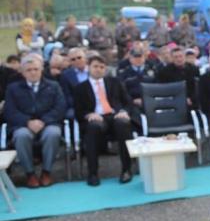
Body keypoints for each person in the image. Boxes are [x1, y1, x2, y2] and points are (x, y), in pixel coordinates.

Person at [4, 54, 66, 187]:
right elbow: (10, 111)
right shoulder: (13, 88)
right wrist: (28, 122)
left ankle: (46, 172)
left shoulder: (53, 86)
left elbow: (60, 107)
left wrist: (43, 121)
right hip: (23, 125)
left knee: (53, 133)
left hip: (48, 123)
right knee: (21, 135)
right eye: (29, 70)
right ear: (22, 72)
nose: (33, 72)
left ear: (41, 70)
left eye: (35, 69)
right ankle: (30, 173)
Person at [74, 55, 134, 186]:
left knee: (123, 124)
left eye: (102, 67)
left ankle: (126, 169)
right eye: (95, 66)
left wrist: (124, 111)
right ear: (88, 68)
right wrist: (89, 114)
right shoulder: (81, 88)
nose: (98, 69)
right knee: (93, 126)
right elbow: (78, 110)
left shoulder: (115, 82)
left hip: (114, 115)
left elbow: (127, 102)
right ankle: (93, 173)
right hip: (96, 117)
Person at [59, 47, 90, 115]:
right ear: (70, 62)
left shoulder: (94, 70)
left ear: (85, 58)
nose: (77, 61)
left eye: (79, 58)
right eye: (73, 59)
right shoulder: (65, 76)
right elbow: (67, 95)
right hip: (77, 106)